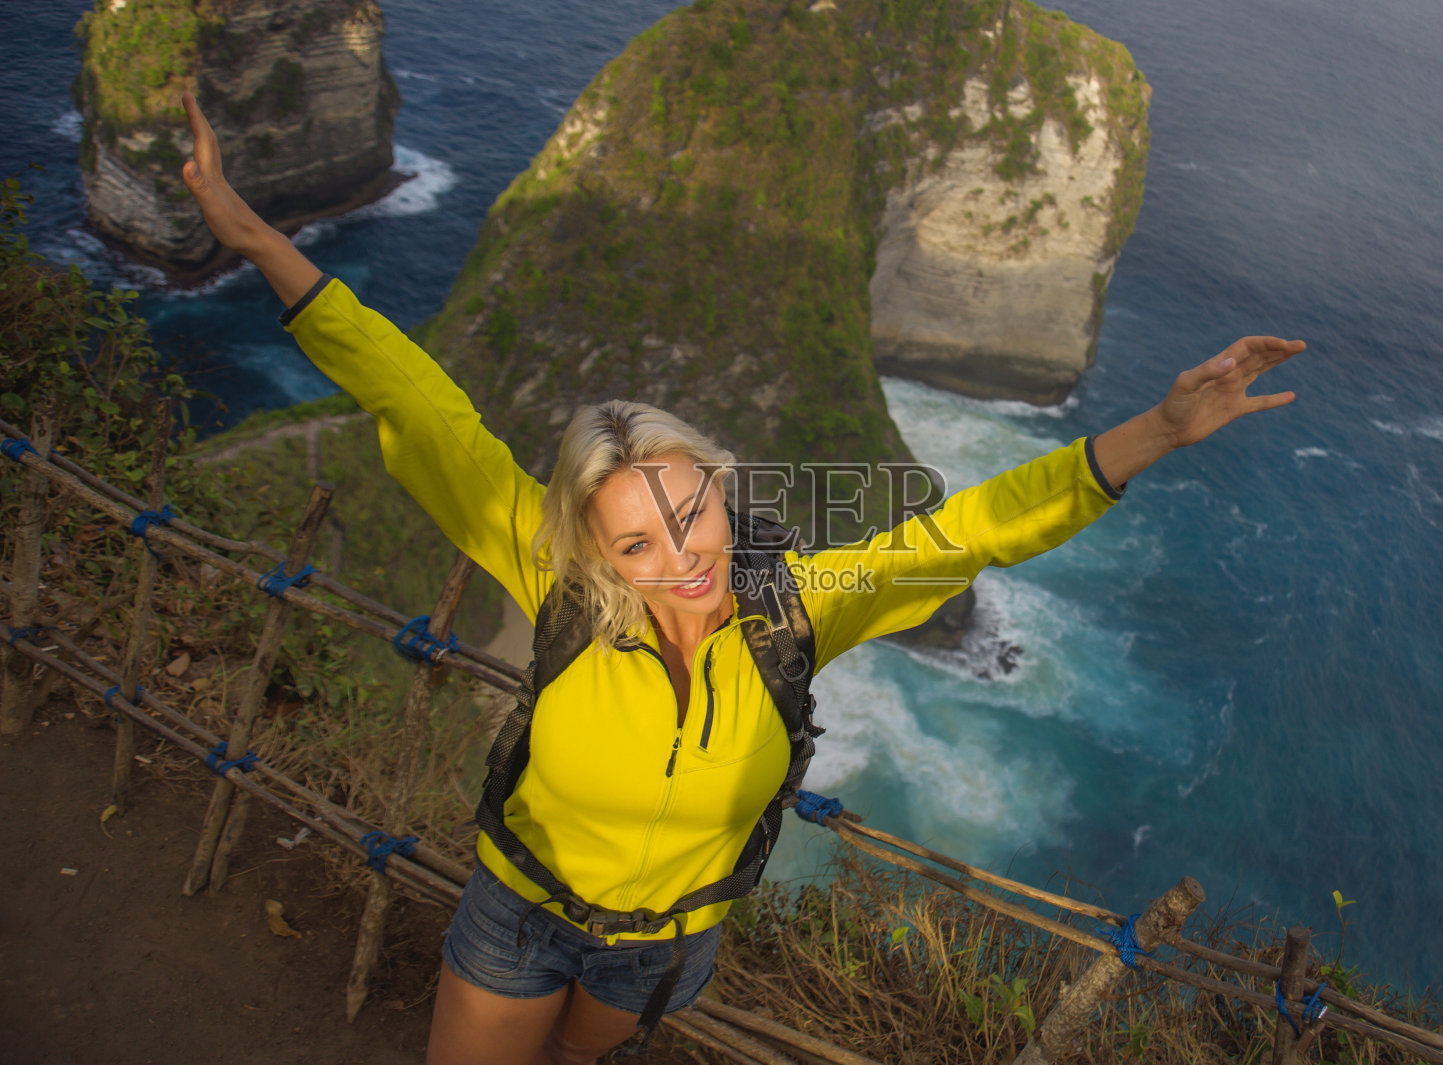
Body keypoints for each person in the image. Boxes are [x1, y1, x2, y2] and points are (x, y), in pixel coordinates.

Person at [178, 92, 1303, 1065]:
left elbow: (971, 531)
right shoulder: (550, 572)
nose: (681, 561)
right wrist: (254, 236)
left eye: (690, 513)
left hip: (668, 939)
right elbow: (416, 398)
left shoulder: (798, 607)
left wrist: (1158, 427)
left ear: (723, 490)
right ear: (590, 551)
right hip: (518, 913)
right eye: (635, 545)